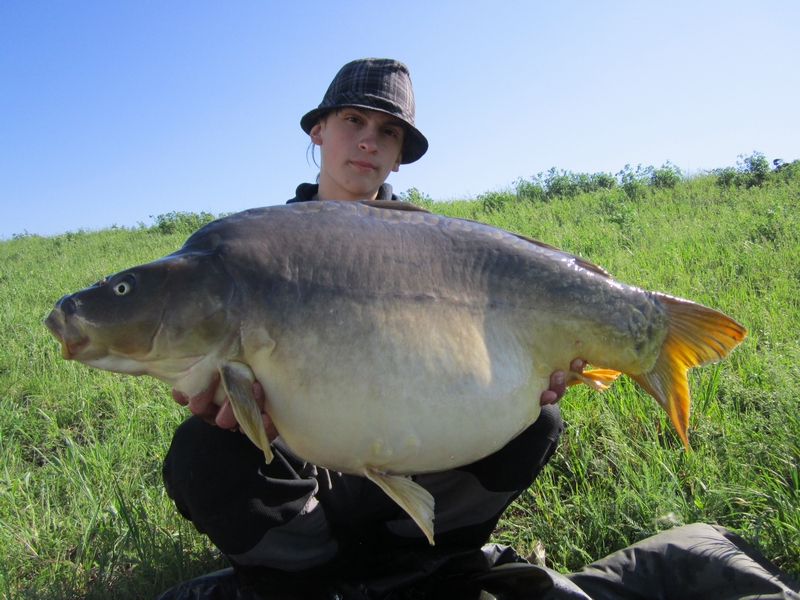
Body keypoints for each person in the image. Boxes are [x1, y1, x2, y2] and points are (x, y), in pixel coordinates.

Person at [159, 58, 574, 598]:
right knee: (202, 448)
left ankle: (415, 562)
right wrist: (230, 405)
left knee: (539, 420)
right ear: (320, 130)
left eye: (388, 132)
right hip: (305, 469)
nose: (368, 142)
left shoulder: (434, 246)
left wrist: (526, 379)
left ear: (399, 156)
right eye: (353, 121)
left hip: (419, 452)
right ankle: (308, 577)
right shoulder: (256, 247)